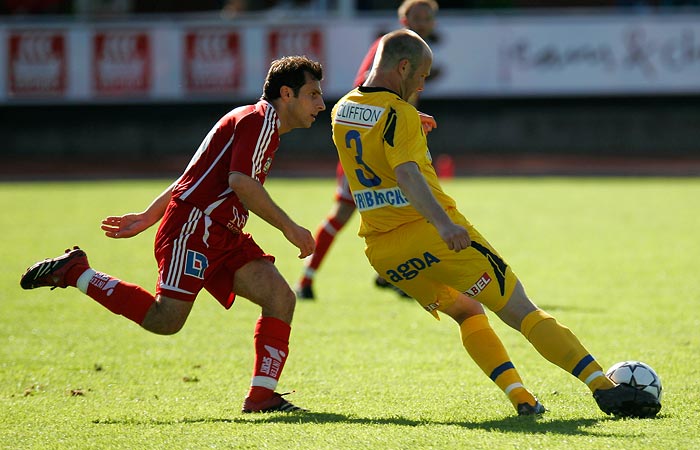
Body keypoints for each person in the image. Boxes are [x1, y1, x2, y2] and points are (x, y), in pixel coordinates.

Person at [330, 29, 661, 418]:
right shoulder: (398, 115)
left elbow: (374, 133)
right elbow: (405, 172)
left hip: (384, 252)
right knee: (521, 309)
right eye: (421, 75)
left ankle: (522, 398)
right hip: (432, 232)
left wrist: (406, 119)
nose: (422, 83)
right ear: (403, 67)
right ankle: (606, 388)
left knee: (468, 313)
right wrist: (442, 224)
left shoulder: (342, 109)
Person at [20, 55, 326, 414]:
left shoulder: (256, 121)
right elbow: (240, 182)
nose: (321, 103)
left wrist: (150, 215)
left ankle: (262, 397)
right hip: (194, 229)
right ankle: (75, 272)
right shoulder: (258, 121)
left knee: (279, 296)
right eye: (313, 94)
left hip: (222, 232)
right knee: (165, 319)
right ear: (286, 94)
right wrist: (290, 227)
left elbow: (193, 174)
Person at [296, 0, 439, 300]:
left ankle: (395, 275)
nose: (423, 22)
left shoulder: (413, 50)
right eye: (418, 16)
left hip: (390, 142)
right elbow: (367, 89)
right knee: (347, 212)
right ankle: (306, 280)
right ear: (403, 17)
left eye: (428, 17)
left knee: (406, 208)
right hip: (370, 144)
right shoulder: (389, 48)